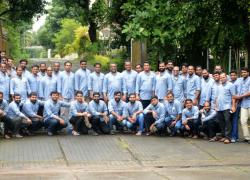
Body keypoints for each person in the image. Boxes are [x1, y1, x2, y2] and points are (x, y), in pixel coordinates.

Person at [216, 73, 236, 144]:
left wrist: (233, 106)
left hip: (227, 107)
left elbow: (233, 96)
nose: (222, 79)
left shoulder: (231, 85)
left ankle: (228, 138)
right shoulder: (219, 86)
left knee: (227, 121)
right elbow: (217, 97)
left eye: (223, 77)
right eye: (221, 78)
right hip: (219, 107)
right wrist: (216, 106)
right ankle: (224, 136)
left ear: (226, 77)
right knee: (221, 122)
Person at [234, 67, 250, 143]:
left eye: (245, 72)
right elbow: (233, 84)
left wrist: (239, 96)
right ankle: (247, 138)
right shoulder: (240, 80)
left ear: (248, 73)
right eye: (242, 72)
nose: (243, 73)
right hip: (243, 103)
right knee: (243, 121)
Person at [229, 70, 241, 142]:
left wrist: (235, 105)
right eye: (231, 75)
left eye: (234, 75)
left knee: (235, 120)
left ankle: (233, 137)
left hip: (236, 104)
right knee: (231, 120)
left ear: (236, 75)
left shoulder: (238, 83)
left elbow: (238, 96)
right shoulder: (230, 83)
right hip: (230, 104)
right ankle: (235, 136)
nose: (233, 76)